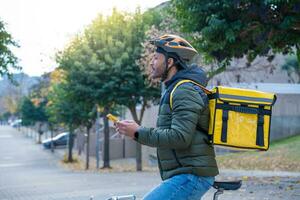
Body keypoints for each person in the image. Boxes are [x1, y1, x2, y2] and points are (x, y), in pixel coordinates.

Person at [115, 34, 219, 200]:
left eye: (156, 58)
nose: (151, 62)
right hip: (187, 174)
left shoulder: (184, 90)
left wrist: (138, 132)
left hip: (192, 175)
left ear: (170, 62)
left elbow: (179, 137)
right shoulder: (176, 89)